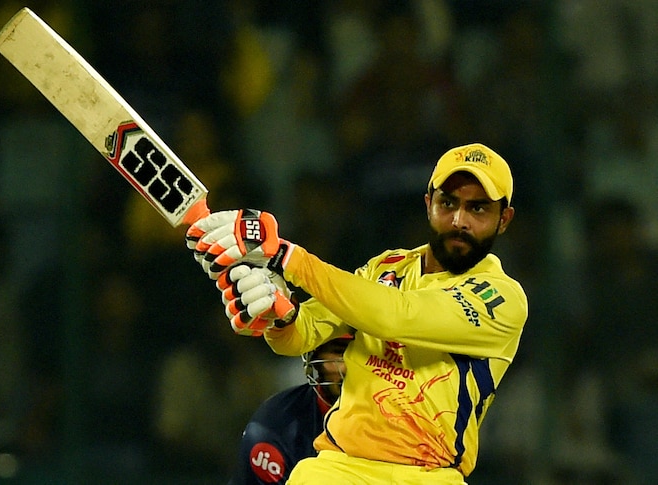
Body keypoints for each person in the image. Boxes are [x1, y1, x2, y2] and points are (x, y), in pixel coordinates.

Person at [186, 143, 528, 484]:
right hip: (338, 468)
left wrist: (287, 258)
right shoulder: (387, 266)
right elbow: (303, 334)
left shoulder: (502, 298)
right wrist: (277, 312)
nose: (459, 221)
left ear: (504, 219)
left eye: (478, 209)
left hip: (429, 476)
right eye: (448, 203)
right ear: (429, 205)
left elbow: (397, 317)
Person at [230, 335, 352, 485]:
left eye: (365, 354)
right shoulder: (276, 430)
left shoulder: (389, 426)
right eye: (341, 352)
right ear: (314, 356)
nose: (355, 366)